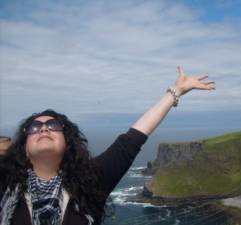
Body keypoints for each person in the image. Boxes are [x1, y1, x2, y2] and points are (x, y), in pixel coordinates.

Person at [0, 66, 215, 225]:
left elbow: (131, 140)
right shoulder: (4, 184)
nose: (44, 129)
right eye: (34, 127)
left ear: (67, 143)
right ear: (24, 147)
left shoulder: (91, 180)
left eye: (53, 124)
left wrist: (174, 92)